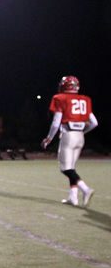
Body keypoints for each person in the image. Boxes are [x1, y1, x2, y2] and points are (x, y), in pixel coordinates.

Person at [41, 75, 98, 207]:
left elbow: (56, 123)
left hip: (68, 135)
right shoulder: (85, 99)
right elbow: (94, 123)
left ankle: (85, 189)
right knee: (71, 168)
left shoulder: (60, 98)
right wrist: (82, 132)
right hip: (80, 137)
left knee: (65, 168)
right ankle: (73, 198)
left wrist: (49, 138)